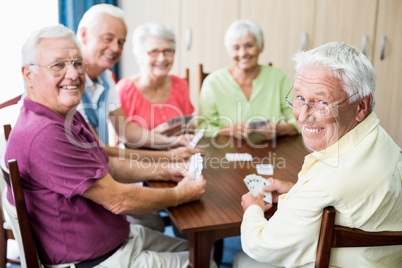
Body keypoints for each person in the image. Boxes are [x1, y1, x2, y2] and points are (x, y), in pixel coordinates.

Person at [4, 24, 215, 267]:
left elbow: (108, 162)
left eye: (77, 63)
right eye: (58, 65)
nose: (73, 74)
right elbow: (118, 199)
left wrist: (164, 170)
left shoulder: (63, 113)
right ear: (28, 75)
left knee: (200, 251)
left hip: (116, 238)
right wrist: (181, 194)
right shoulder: (45, 134)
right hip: (93, 259)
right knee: (204, 262)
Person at [234, 42, 402, 267]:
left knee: (242, 259)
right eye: (300, 98)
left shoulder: (328, 180)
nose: (303, 116)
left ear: (361, 106)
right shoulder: (380, 138)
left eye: (322, 102)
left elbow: (260, 246)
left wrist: (253, 207)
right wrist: (297, 191)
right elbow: (345, 193)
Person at [76, 4, 199, 160]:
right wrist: (168, 157)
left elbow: (125, 129)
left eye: (121, 43)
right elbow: (101, 149)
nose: (115, 48)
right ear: (84, 35)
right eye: (108, 38)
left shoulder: (106, 78)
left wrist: (170, 141)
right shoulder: (70, 82)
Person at [199, 19, 298, 140]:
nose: (242, 53)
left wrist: (280, 129)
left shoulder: (278, 77)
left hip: (271, 149)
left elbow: (299, 119)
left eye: (249, 45)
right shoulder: (212, 82)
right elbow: (202, 127)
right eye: (236, 48)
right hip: (226, 150)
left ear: (261, 47)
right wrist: (229, 130)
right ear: (229, 51)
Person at [116, 23, 194, 135]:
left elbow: (189, 130)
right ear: (139, 57)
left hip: (180, 151)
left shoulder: (180, 84)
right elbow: (117, 145)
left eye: (167, 51)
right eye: (153, 52)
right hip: (139, 153)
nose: (162, 58)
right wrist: (152, 138)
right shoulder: (123, 90)